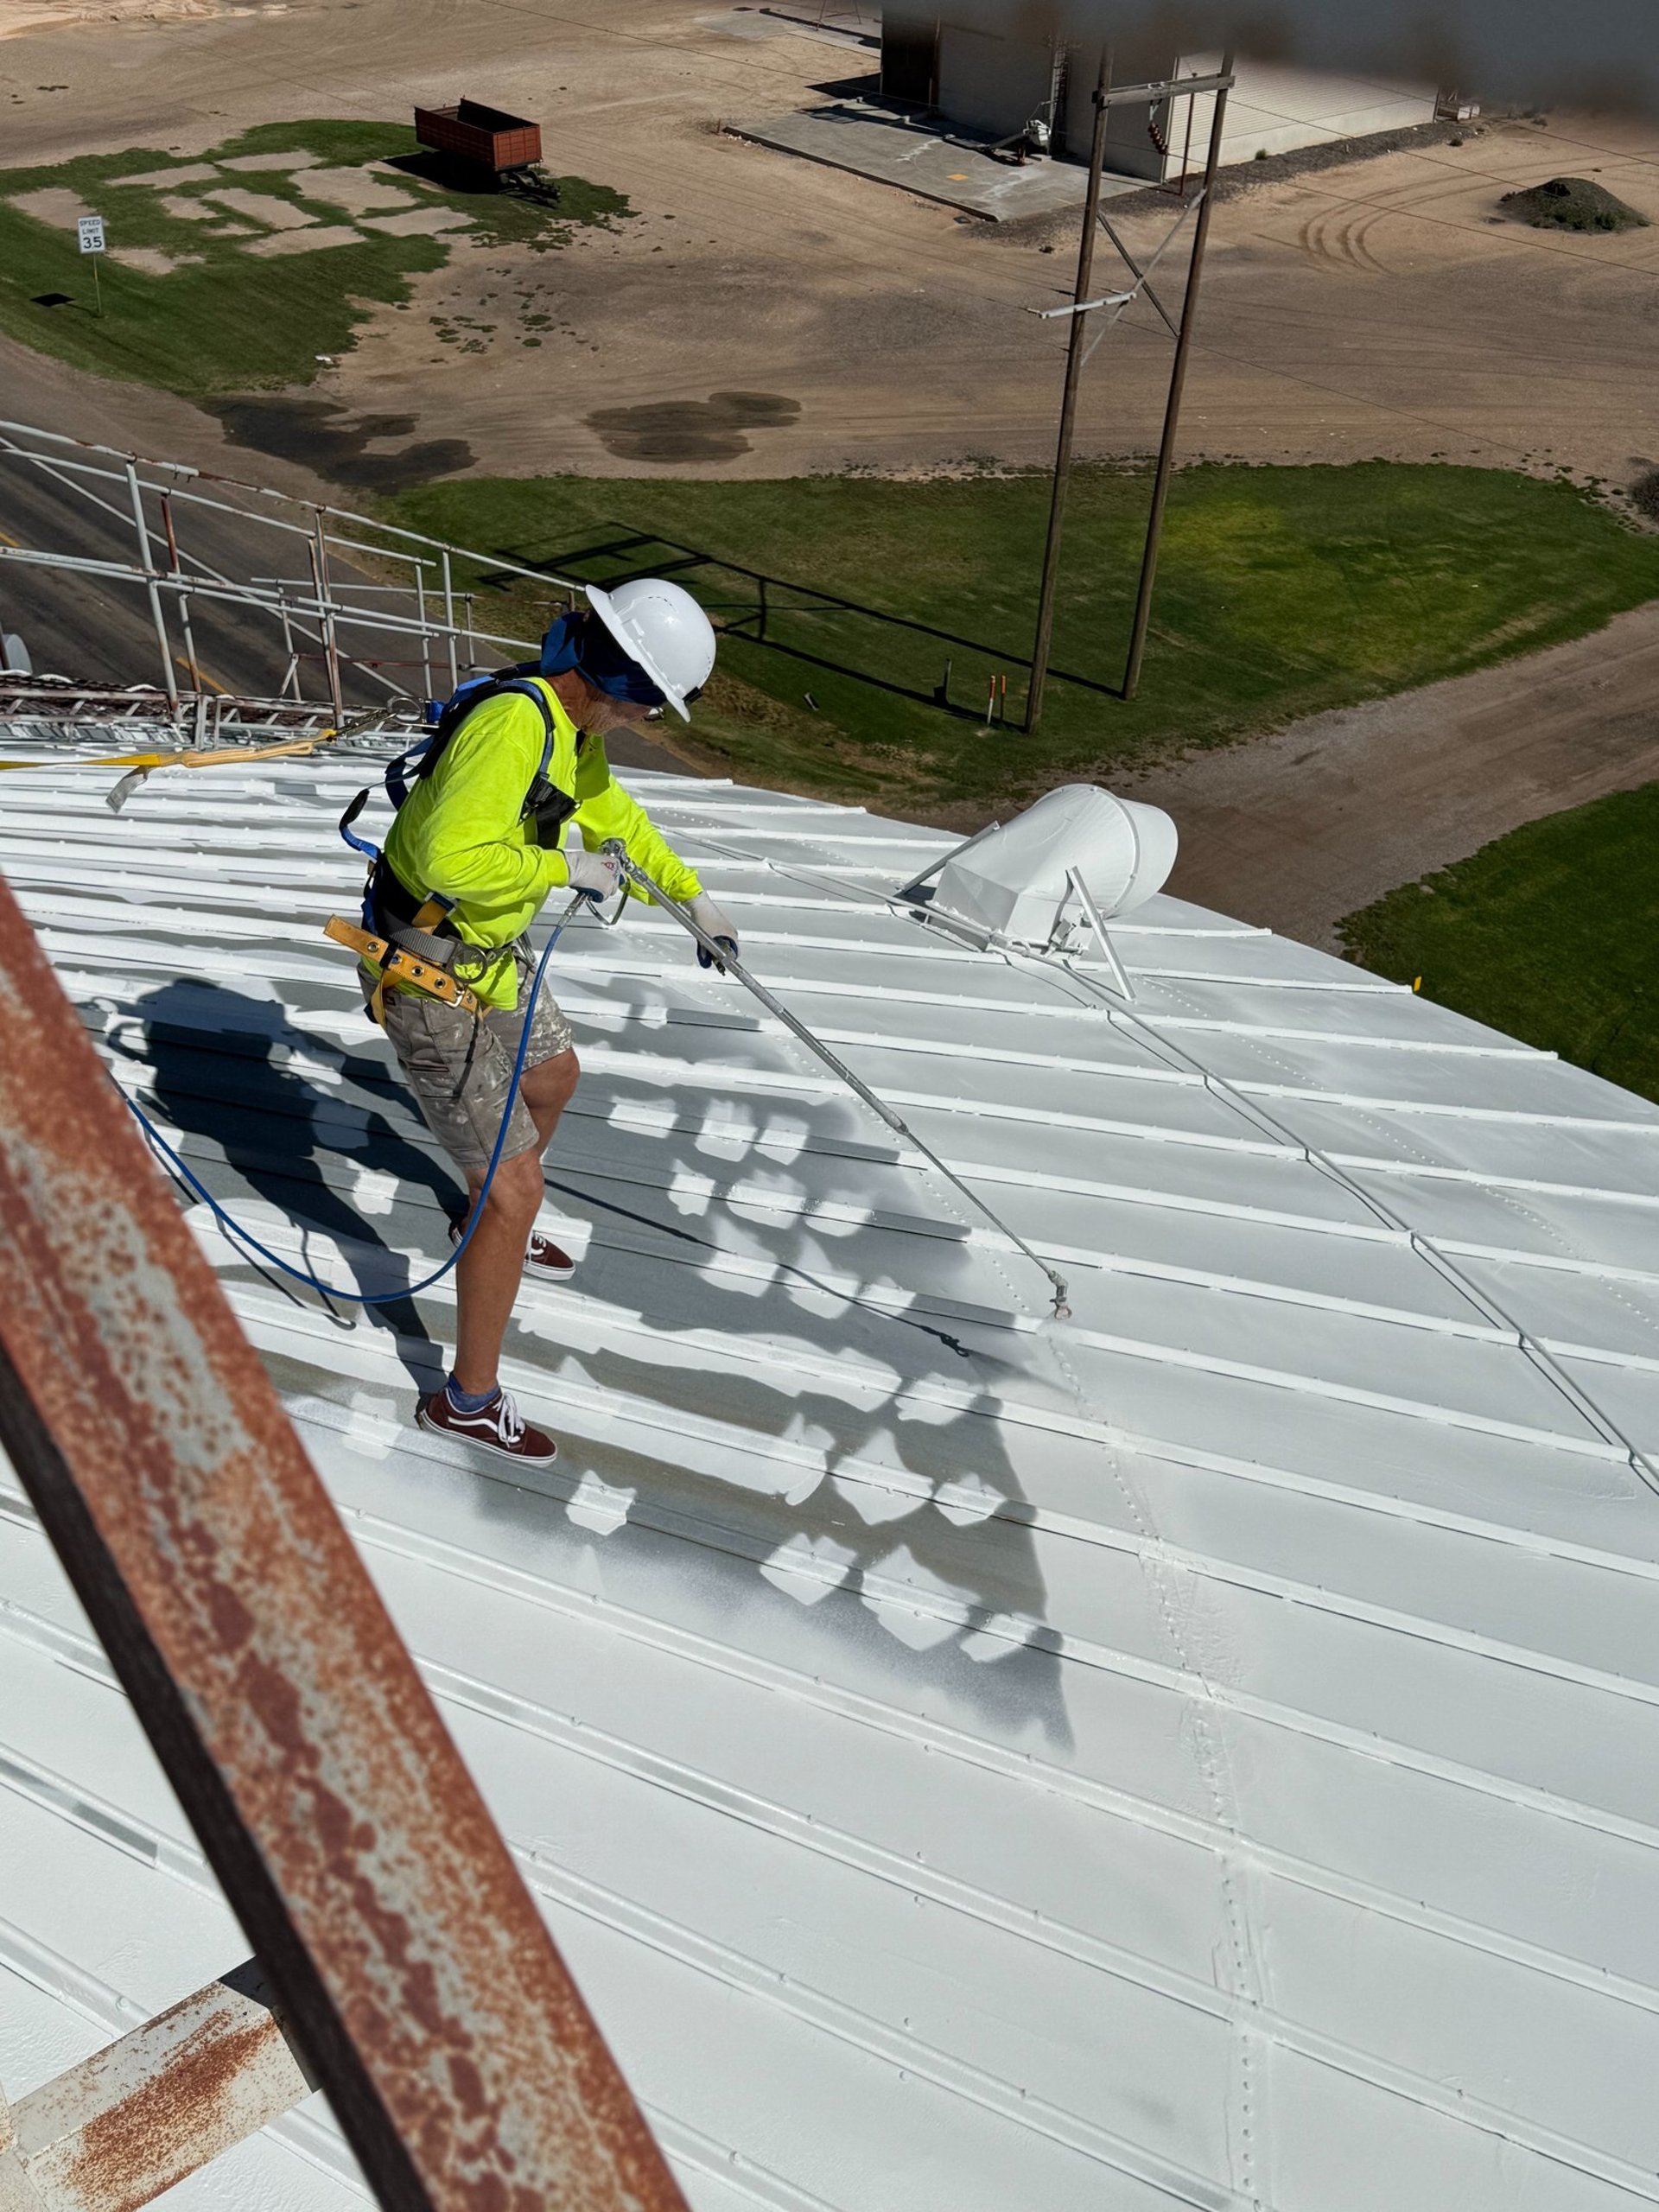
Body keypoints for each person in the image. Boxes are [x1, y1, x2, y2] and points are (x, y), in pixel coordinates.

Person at [365, 579, 738, 1466]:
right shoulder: (516, 726)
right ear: (628, 688)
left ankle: (479, 1225)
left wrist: (694, 899)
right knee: (515, 1188)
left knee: (552, 1077)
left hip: (485, 954)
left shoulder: (568, 729)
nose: (646, 721)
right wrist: (559, 869)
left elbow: (614, 819)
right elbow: (449, 855)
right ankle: (467, 1399)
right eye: (651, 708)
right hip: (429, 964)